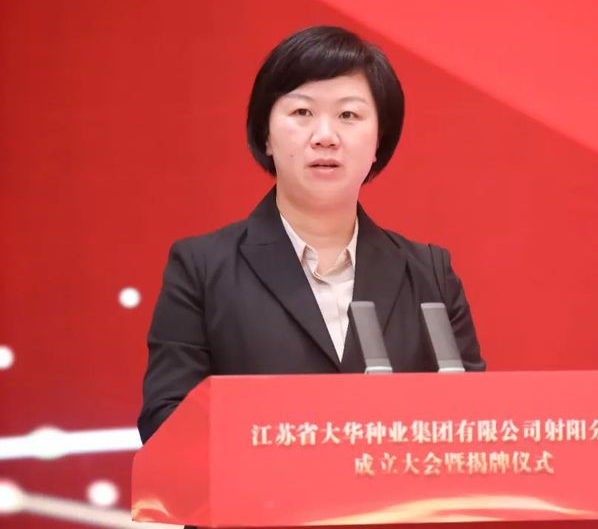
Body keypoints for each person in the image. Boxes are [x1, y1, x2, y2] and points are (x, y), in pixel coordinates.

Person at [137, 26, 485, 445]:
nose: (325, 137)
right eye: (302, 112)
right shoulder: (203, 269)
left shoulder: (429, 274)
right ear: (266, 134)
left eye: (348, 115)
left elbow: (473, 425)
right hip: (257, 489)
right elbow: (167, 422)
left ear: (379, 140)